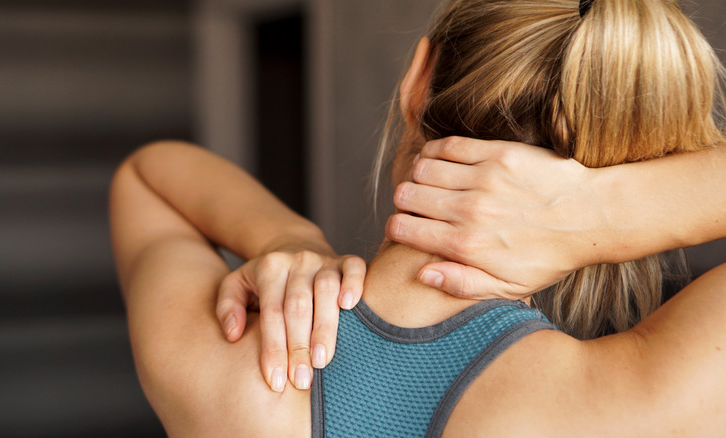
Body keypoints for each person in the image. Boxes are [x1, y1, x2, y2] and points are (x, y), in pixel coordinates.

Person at [111, 0, 726, 436]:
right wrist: (607, 210)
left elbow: (148, 175)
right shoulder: (632, 405)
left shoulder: (223, 364)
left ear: (417, 81)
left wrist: (287, 236)